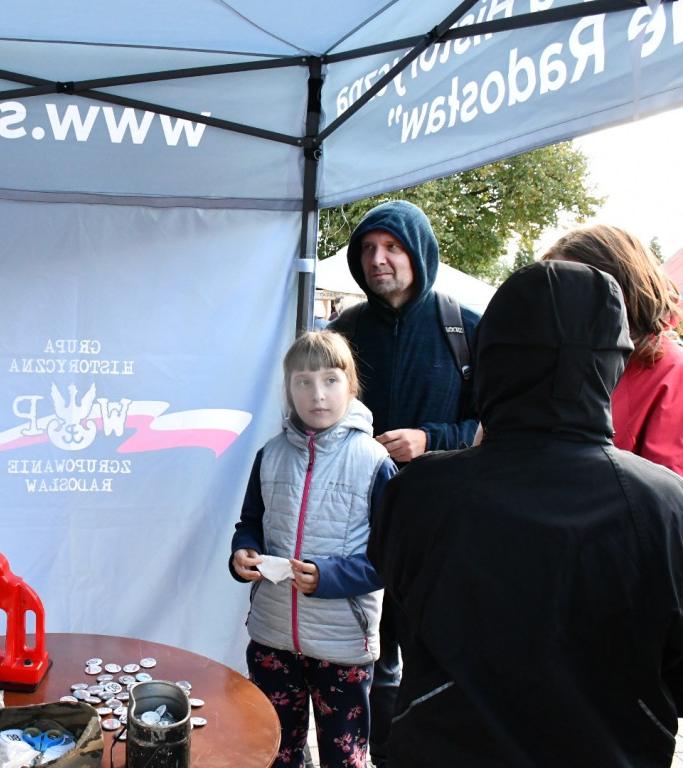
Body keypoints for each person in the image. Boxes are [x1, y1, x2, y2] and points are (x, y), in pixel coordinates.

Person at [367, 260, 683, 767]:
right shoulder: (666, 507)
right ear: (611, 363)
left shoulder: (422, 491)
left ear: (494, 355)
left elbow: (398, 591)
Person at [326, 199, 480, 766]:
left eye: (391, 247)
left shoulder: (463, 328)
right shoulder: (342, 332)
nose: (377, 260)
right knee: (363, 654)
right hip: (351, 525)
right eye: (367, 249)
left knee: (428, 656)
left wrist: (430, 439)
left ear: (418, 253)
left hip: (436, 525)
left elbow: (493, 424)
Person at [230, 330, 398, 768]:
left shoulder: (375, 462)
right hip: (271, 637)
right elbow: (250, 523)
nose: (317, 394)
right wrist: (242, 552)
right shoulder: (269, 455)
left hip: (342, 643)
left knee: (344, 758)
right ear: (288, 389)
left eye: (329, 380)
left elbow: (392, 556)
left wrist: (329, 578)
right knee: (275, 751)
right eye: (303, 381)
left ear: (351, 385)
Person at [542, 224, 683, 475]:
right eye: (555, 288)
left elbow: (667, 492)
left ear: (626, 292)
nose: (563, 305)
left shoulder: (671, 371)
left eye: (579, 289)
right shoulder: (549, 352)